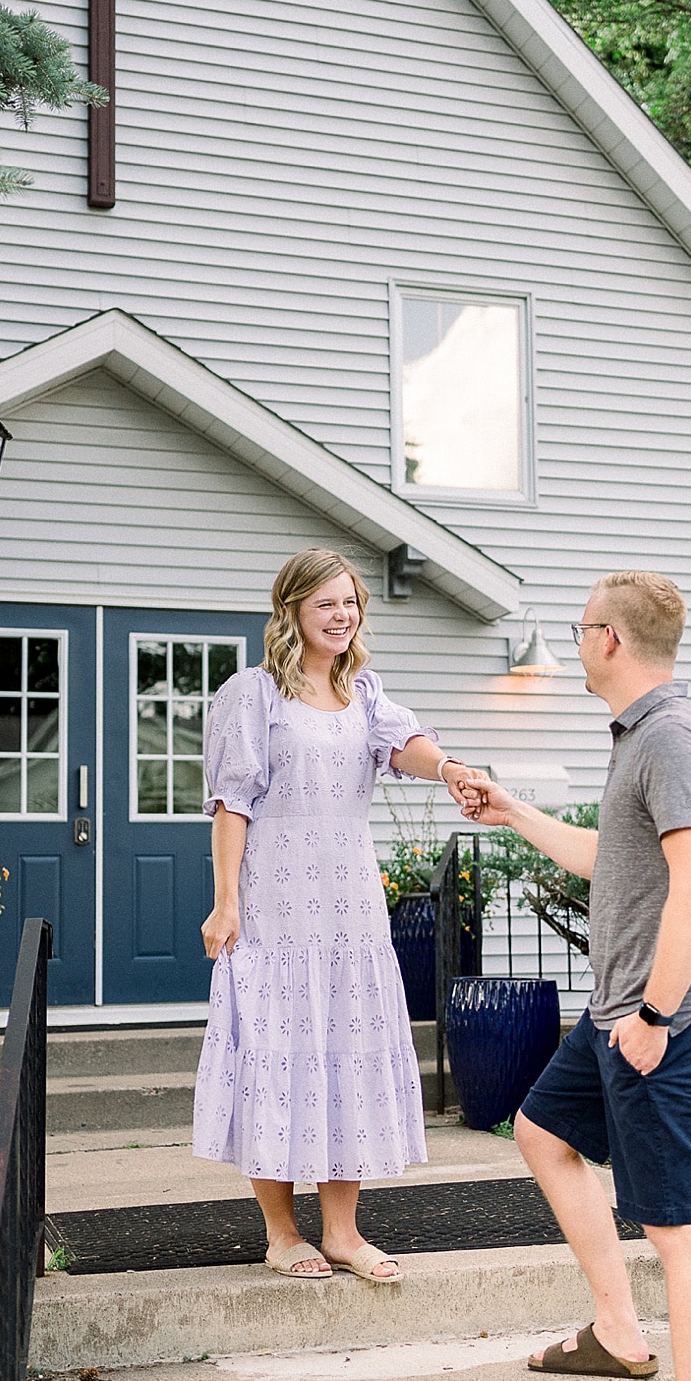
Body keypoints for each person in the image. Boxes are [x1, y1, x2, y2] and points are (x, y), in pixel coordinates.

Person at [459, 570, 691, 1381]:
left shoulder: (672, 741)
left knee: (680, 1231)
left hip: (665, 1021)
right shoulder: (638, 742)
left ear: (610, 639)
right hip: (616, 1015)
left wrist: (656, 1018)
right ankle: (619, 1332)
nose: (576, 643)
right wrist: (513, 813)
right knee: (541, 1131)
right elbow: (605, 857)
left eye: (580, 629)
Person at [194, 546, 484, 1282]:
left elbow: (406, 745)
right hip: (275, 911)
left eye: (350, 602)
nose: (341, 615)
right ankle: (282, 1231)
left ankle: (344, 1233)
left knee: (344, 1060)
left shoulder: (366, 693)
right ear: (291, 609)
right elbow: (232, 804)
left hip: (350, 910)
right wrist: (227, 901)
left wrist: (448, 768)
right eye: (326, 603)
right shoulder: (252, 695)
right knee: (276, 1057)